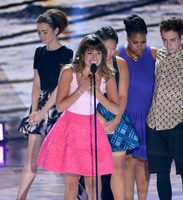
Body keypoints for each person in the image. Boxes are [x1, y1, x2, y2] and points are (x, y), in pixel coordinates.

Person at [37, 34, 120, 200]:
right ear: (82, 54)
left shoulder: (107, 75)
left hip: (92, 130)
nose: (94, 57)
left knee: (93, 185)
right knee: (72, 185)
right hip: (70, 128)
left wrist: (98, 93)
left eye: (98, 52)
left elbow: (116, 108)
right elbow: (60, 106)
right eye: (90, 52)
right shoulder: (69, 72)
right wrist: (81, 89)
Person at [16, 9, 73, 200]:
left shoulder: (67, 53)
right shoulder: (39, 52)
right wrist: (34, 111)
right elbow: (36, 84)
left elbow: (60, 87)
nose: (41, 35)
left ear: (56, 30)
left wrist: (43, 112)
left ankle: (78, 195)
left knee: (66, 161)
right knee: (30, 160)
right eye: (39, 32)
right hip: (39, 106)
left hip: (57, 107)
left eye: (45, 32)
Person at [146, 16, 183, 200]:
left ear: (182, 37)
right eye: (165, 40)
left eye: (173, 40)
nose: (168, 45)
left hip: (178, 125)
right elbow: (142, 51)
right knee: (161, 174)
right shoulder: (159, 54)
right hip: (154, 125)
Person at [94, 26, 140, 200]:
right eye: (107, 48)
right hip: (93, 118)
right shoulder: (88, 63)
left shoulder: (120, 63)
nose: (111, 51)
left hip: (116, 117)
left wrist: (116, 120)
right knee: (95, 171)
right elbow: (84, 98)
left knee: (118, 169)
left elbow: (123, 95)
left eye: (114, 47)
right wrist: (100, 120)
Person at [118, 14, 156, 200]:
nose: (139, 46)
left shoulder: (155, 54)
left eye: (143, 42)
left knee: (143, 162)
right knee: (126, 162)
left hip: (147, 118)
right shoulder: (117, 55)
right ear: (127, 39)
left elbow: (177, 60)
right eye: (135, 42)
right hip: (125, 117)